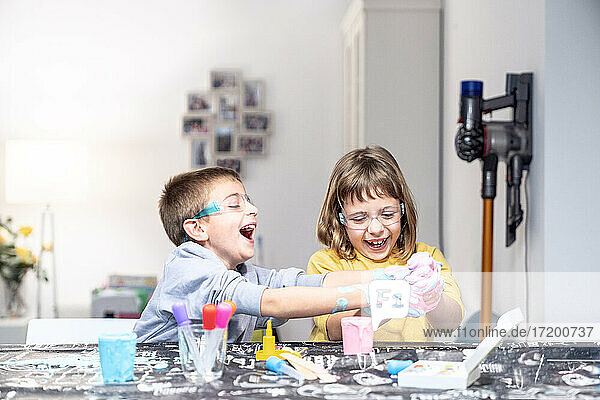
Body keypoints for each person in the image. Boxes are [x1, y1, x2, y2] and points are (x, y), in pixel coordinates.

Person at [134, 166, 396, 343]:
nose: (253, 209)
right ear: (198, 228)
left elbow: (296, 284)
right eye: (235, 204)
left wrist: (388, 275)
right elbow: (272, 302)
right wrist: (370, 295)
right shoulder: (189, 269)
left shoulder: (241, 273)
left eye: (248, 200)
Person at [308, 146, 464, 342]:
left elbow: (450, 324)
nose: (375, 228)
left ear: (403, 210)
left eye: (388, 215)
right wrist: (386, 302)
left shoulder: (426, 258)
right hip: (342, 369)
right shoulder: (327, 264)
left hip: (409, 368)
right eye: (358, 218)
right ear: (341, 219)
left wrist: (432, 296)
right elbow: (335, 330)